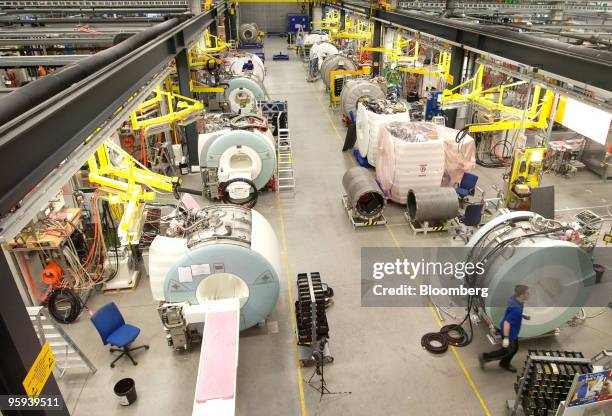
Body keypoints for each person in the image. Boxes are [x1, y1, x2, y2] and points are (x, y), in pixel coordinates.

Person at [479, 284, 530, 373]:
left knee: (514, 349)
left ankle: (504, 362)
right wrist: (506, 338)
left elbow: (511, 311)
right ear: (521, 295)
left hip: (512, 331)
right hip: (509, 333)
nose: (529, 295)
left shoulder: (514, 299)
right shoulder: (516, 310)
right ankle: (485, 357)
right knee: (506, 351)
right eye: (527, 293)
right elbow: (507, 323)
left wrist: (523, 315)